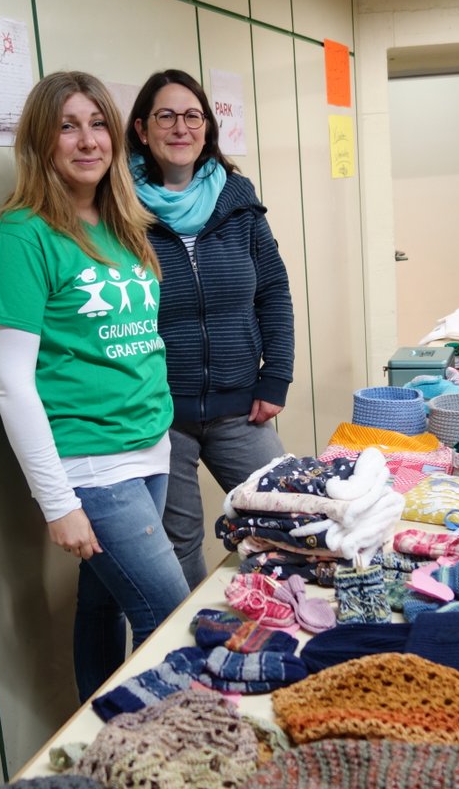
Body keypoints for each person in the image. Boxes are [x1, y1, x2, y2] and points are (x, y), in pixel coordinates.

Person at [0, 71, 190, 701]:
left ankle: (100, 738)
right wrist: (57, 502)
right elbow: (10, 382)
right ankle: (163, 744)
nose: (88, 140)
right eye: (67, 127)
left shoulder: (121, 225)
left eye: (98, 124)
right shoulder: (20, 238)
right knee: (170, 618)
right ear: (41, 141)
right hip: (92, 465)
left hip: (148, 447)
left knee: (104, 605)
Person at [127, 70, 295, 588]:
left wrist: (276, 377)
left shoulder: (236, 199)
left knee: (285, 516)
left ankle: (285, 614)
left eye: (192, 116)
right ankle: (194, 633)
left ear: (207, 128)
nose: (181, 128)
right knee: (178, 542)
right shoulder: (119, 208)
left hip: (241, 407)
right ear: (142, 129)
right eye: (166, 116)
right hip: (160, 414)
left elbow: (274, 290)